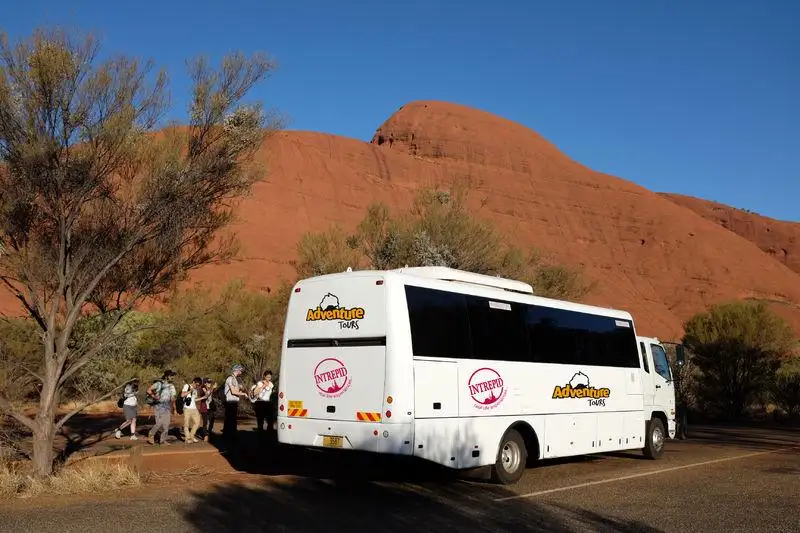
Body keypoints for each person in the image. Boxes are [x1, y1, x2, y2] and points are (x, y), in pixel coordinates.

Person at [146, 370, 177, 446]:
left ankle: (162, 441)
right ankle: (151, 434)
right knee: (159, 423)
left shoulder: (172, 386)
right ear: (166, 376)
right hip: (158, 406)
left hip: (167, 407)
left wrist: (174, 408)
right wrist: (154, 396)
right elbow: (148, 390)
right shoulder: (159, 384)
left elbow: (173, 398)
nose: (172, 377)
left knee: (166, 424)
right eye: (171, 375)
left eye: (173, 376)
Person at [222, 364, 249, 443]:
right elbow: (233, 392)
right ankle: (231, 436)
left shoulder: (234, 379)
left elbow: (235, 391)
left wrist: (241, 391)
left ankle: (228, 436)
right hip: (231, 402)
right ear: (236, 370)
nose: (241, 372)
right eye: (240, 370)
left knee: (230, 419)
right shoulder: (231, 379)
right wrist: (243, 394)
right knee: (231, 419)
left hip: (233, 401)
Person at [181, 377, 203, 444]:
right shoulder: (187, 386)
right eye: (196, 384)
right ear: (193, 382)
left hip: (194, 408)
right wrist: (190, 390)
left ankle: (192, 436)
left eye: (198, 385)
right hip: (187, 408)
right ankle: (187, 438)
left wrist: (202, 398)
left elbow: (194, 399)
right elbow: (182, 395)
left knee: (197, 422)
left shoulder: (195, 389)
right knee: (186, 424)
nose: (197, 386)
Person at [252, 370, 274, 435]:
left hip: (268, 403)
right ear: (264, 376)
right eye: (267, 377)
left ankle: (269, 433)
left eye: (270, 377)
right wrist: (263, 386)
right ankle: (260, 434)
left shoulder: (271, 384)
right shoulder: (260, 383)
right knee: (260, 420)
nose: (268, 379)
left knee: (270, 420)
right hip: (261, 402)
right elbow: (255, 392)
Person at [201, 378, 218, 442]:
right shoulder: (202, 388)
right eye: (208, 382)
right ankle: (205, 435)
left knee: (212, 421)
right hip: (204, 407)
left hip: (211, 407)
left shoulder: (211, 389)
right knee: (205, 422)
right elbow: (207, 395)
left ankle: (209, 433)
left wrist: (215, 388)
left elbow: (215, 394)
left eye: (210, 382)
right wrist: (212, 388)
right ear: (205, 383)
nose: (210, 384)